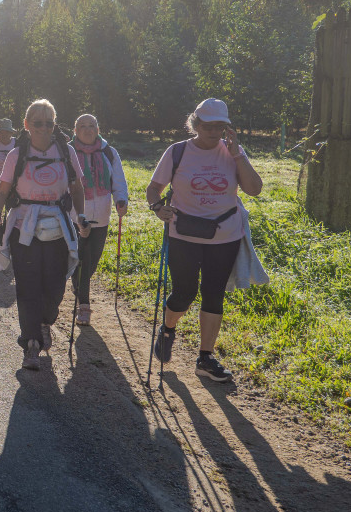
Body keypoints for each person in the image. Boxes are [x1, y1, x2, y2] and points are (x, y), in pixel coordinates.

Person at [147, 98, 263, 383]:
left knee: (214, 293)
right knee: (184, 292)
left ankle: (206, 357)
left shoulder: (233, 152)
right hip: (183, 234)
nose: (214, 132)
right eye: (208, 126)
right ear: (195, 125)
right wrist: (158, 208)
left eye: (220, 127)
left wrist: (237, 155)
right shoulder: (177, 152)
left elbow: (254, 190)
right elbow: (153, 188)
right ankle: (168, 328)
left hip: (225, 235)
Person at [0, 99, 89, 371]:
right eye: (38, 123)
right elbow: (2, 190)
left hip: (58, 225)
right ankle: (31, 343)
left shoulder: (66, 152)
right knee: (28, 285)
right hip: (24, 226)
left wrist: (82, 218)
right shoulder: (15, 155)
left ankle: (45, 321)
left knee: (55, 287)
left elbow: (77, 189)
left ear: (54, 125)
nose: (44, 128)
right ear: (27, 125)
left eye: (49, 123)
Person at [69, 114, 128, 326]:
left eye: (91, 126)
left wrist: (121, 200)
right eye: (82, 126)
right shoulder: (68, 151)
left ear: (98, 128)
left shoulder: (109, 152)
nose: (87, 130)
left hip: (101, 217)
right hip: (75, 216)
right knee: (83, 260)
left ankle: (78, 285)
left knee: (91, 263)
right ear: (75, 130)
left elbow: (118, 181)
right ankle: (84, 305)